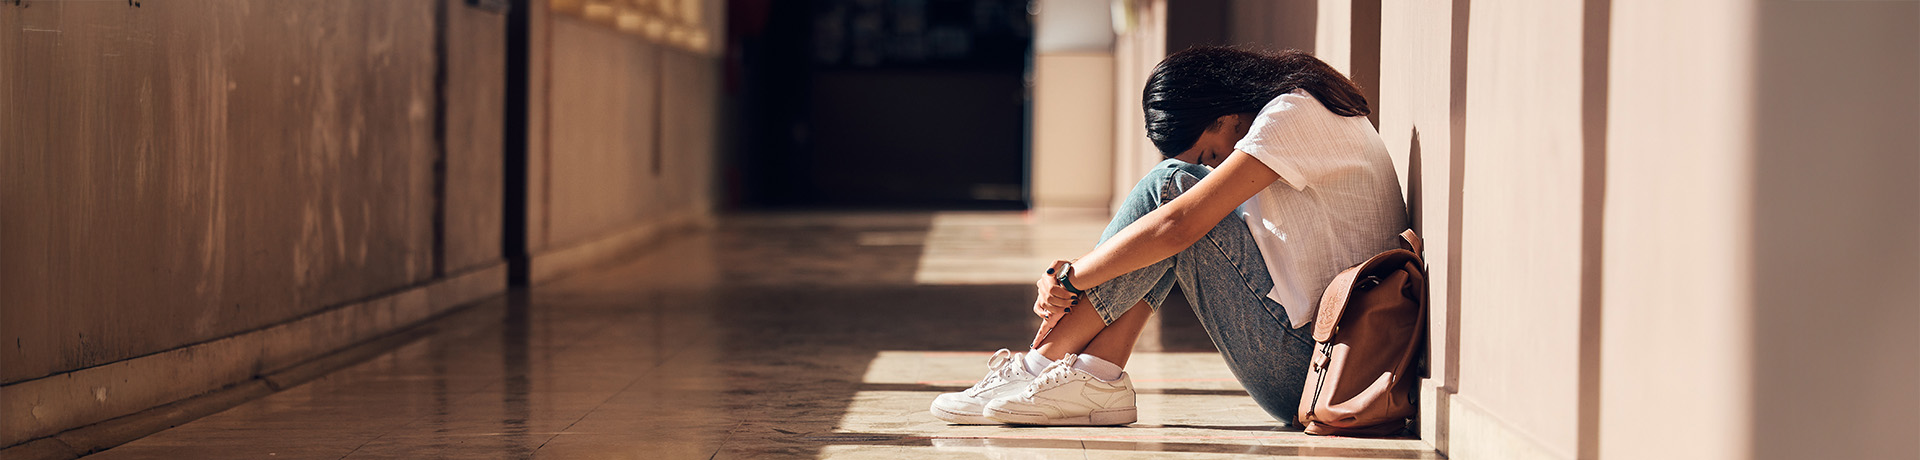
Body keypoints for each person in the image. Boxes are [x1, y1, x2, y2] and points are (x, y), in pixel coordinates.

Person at [929, 46, 1410, 427]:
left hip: (1317, 370)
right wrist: (1077, 274)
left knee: (1171, 192)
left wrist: (1070, 279)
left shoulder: (1293, 114)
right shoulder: (1307, 109)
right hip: (1318, 364)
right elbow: (1169, 233)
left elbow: (1176, 224)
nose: (1216, 164)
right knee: (1169, 217)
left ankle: (1043, 364)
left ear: (1223, 115)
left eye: (1210, 153)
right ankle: (1093, 375)